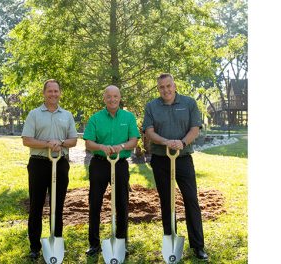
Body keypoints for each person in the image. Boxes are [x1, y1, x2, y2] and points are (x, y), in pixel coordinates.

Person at [142, 73, 208, 260]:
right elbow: (149, 131)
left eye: (168, 86)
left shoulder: (188, 103)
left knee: (191, 200)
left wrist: (182, 143)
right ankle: (171, 243)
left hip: (183, 159)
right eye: (162, 87)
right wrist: (166, 142)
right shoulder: (152, 106)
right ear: (158, 89)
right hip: (161, 159)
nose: (166, 90)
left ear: (174, 85)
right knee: (167, 201)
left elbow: (195, 128)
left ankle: (198, 246)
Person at [21, 79, 78, 260]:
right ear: (44, 93)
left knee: (57, 206)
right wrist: (48, 144)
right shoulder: (34, 114)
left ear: (60, 93)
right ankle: (34, 247)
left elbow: (73, 140)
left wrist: (60, 143)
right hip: (38, 163)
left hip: (60, 163)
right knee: (36, 206)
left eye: (56, 91)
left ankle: (56, 243)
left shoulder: (67, 115)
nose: (53, 94)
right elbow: (26, 140)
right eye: (50, 91)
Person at [83, 85, 140, 257]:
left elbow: (134, 140)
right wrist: (101, 146)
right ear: (104, 98)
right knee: (95, 203)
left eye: (115, 96)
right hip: (100, 164)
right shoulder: (95, 118)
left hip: (120, 164)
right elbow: (88, 142)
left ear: (120, 97)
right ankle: (94, 244)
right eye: (109, 96)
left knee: (122, 203)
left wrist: (120, 146)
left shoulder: (128, 117)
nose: (112, 99)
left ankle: (121, 242)